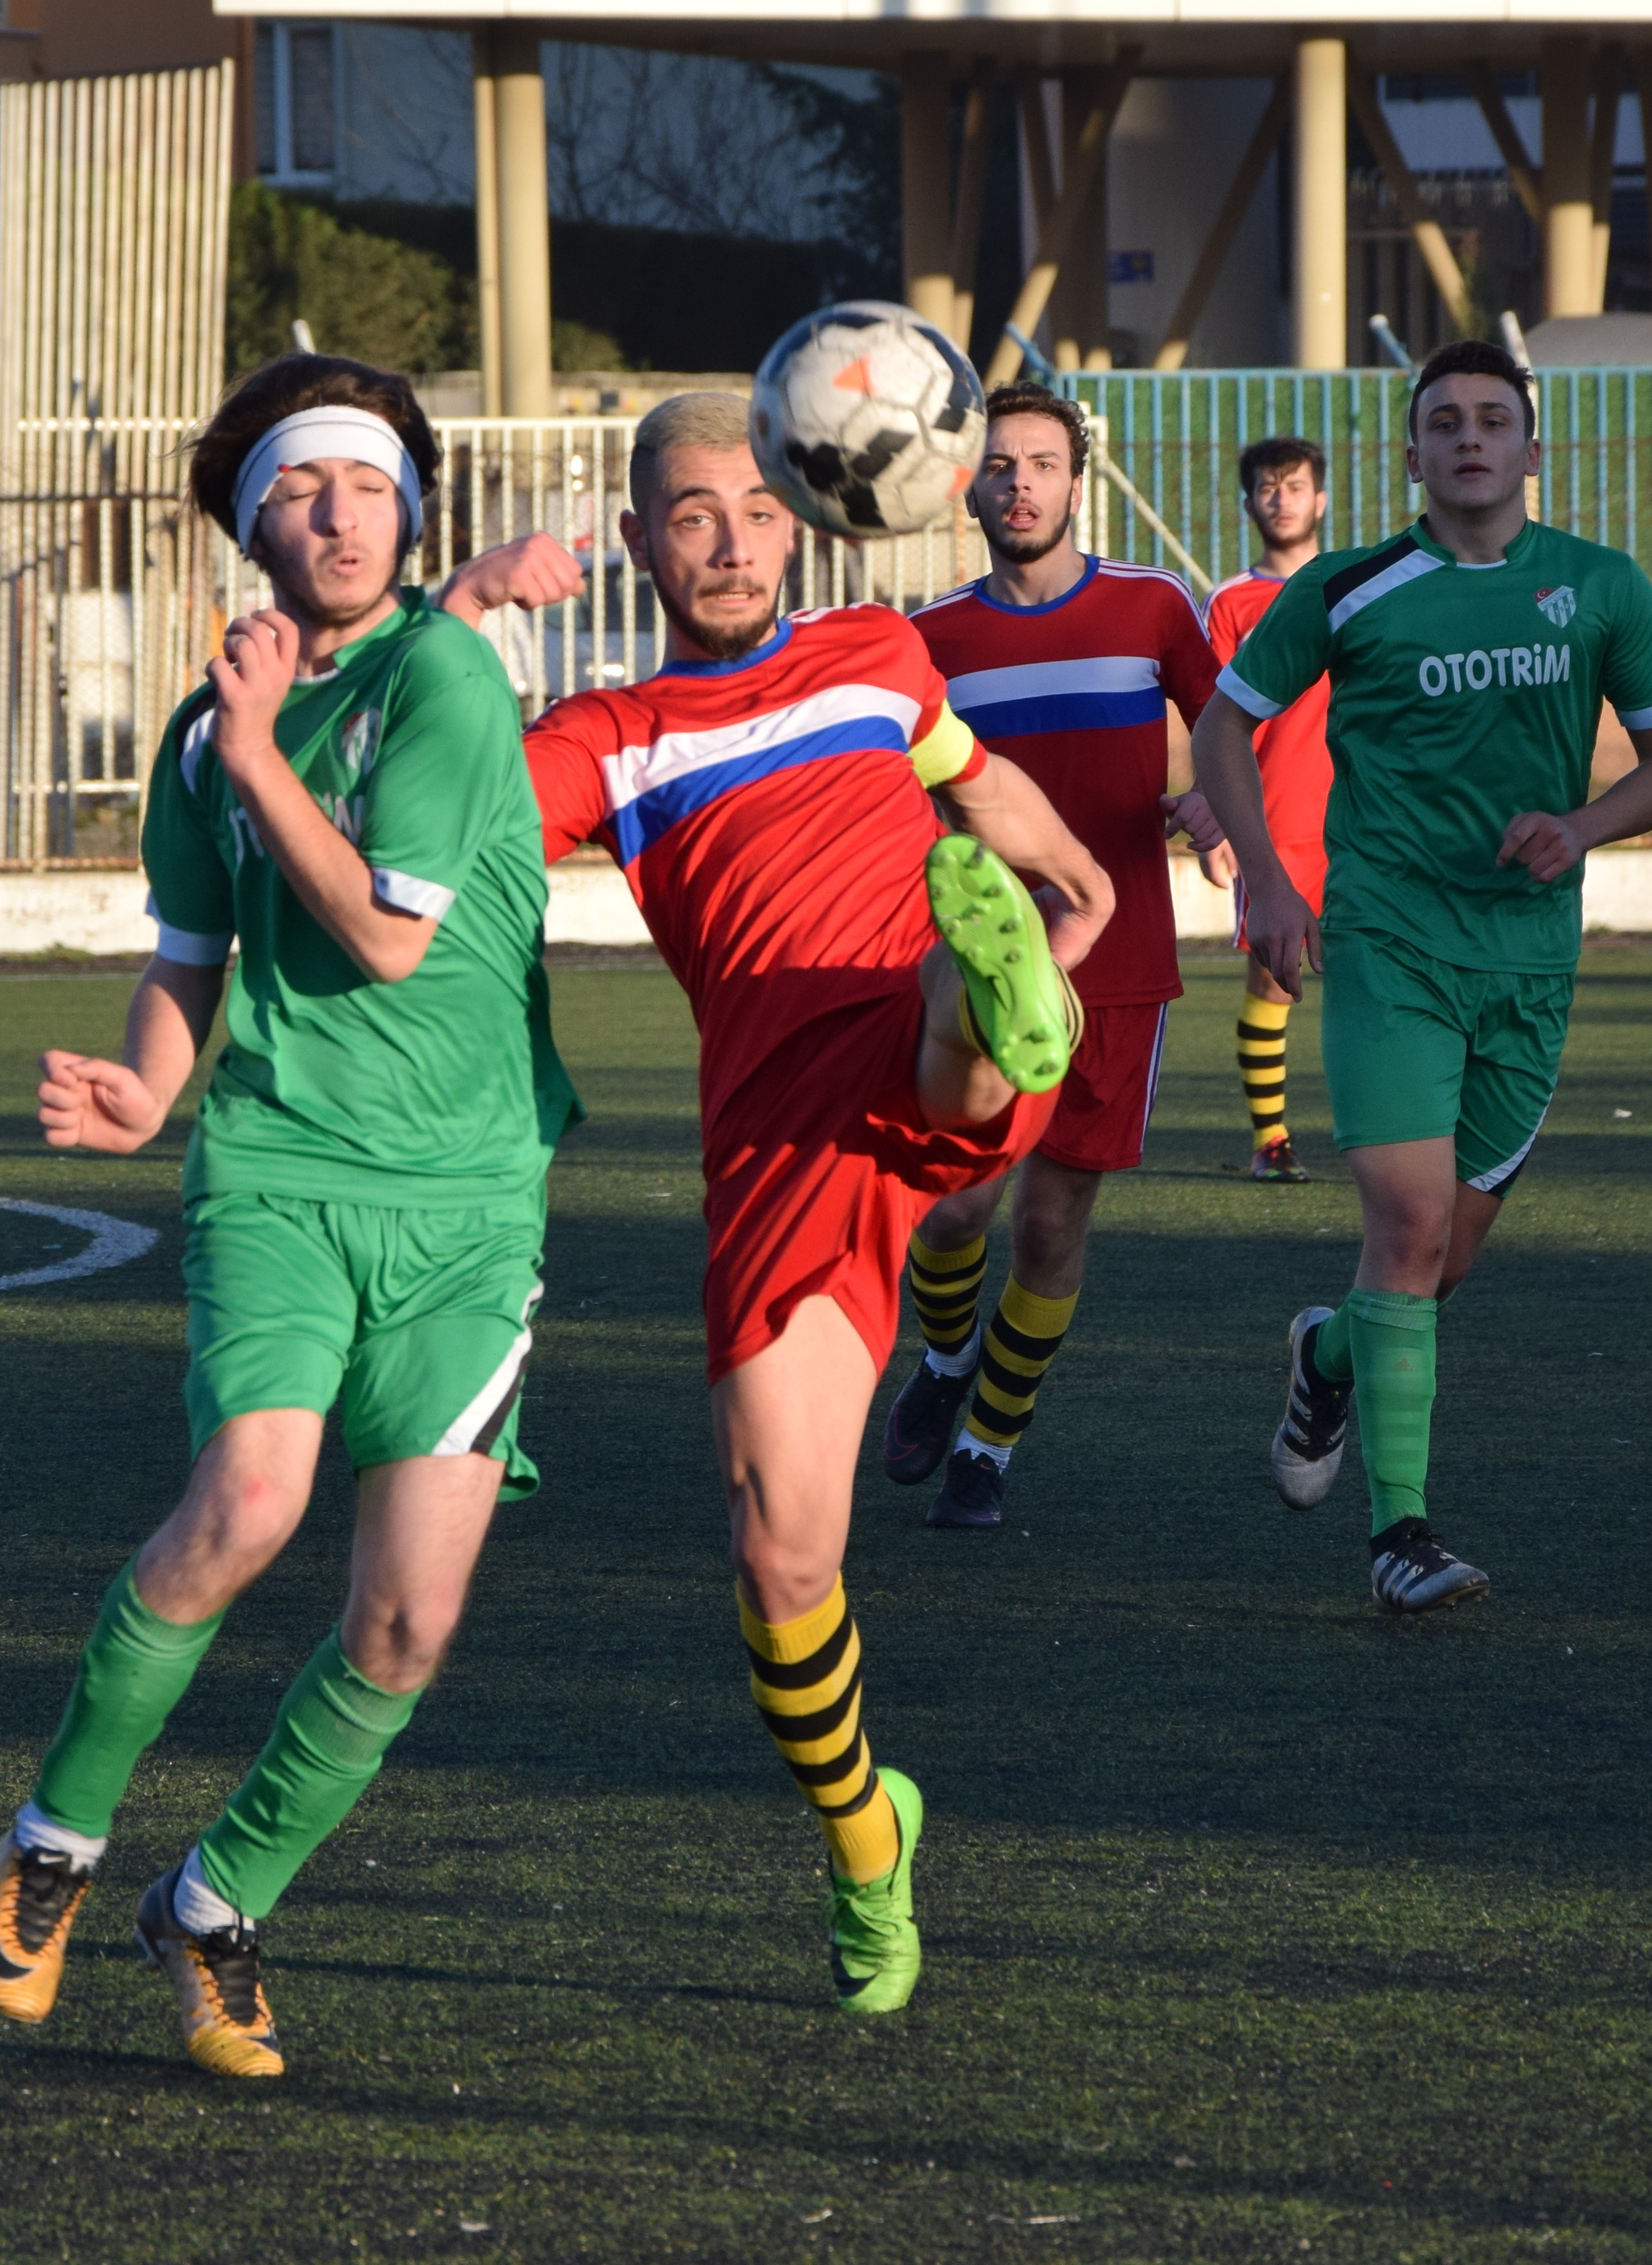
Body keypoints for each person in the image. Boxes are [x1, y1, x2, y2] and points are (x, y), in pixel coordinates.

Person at [441, 391, 1112, 2014]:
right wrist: (454, 617)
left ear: (799, 513)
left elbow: (977, 775)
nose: (729, 540)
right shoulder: (607, 739)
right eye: (690, 514)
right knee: (779, 1559)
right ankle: (869, 1834)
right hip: (779, 1143)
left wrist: (1071, 872)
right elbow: (439, 821)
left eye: (752, 507)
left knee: (958, 1024)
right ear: (636, 542)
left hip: (906, 1023)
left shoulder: (878, 656)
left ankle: (997, 993)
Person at [0, 353, 582, 2079]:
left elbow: (389, 930)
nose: (336, 513)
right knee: (247, 1493)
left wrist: (253, 747)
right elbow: (193, 957)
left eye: (367, 485)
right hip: (282, 1174)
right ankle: (55, 1845)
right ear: (255, 526)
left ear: (405, 511)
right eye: (302, 490)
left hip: (470, 1204)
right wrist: (148, 1087)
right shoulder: (201, 729)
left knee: (405, 1622)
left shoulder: (446, 676)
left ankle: (216, 1903)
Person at [1187, 339, 1652, 1616]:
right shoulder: (1355, 589)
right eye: (1444, 423)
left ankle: (1326, 1352)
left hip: (1528, 968)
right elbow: (1221, 728)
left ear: (1530, 450)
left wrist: (1579, 828)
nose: (1469, 439)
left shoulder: (1599, 588)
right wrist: (1265, 875)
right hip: (1386, 947)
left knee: (1437, 1266)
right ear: (1411, 455)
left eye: (1491, 420)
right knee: (1406, 1233)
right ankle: (1399, 1536)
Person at [880, 382, 1219, 1531]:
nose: (1017, 482)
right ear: (963, 485)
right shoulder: (931, 641)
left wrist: (1214, 809)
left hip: (1118, 969)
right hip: (979, 977)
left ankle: (987, 1442)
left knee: (1048, 1227)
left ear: (1077, 480)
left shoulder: (1154, 608)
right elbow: (900, 804)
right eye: (997, 465)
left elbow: (1227, 727)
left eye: (1039, 463)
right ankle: (938, 1363)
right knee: (953, 1213)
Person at [1202, 436, 1332, 1183]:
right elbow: (1209, 716)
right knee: (1274, 979)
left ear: (1320, 500)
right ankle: (1271, 1140)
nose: (1280, 498)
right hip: (1271, 823)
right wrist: (1217, 820)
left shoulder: (1351, 586)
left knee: (1376, 976)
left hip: (1359, 823)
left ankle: (1384, 1135)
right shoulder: (1229, 602)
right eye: (1266, 488)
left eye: (1294, 486)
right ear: (1248, 502)